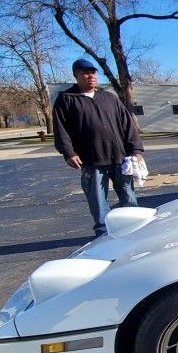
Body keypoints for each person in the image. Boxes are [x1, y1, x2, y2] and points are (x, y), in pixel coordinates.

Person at [53, 58, 145, 236]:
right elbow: (60, 130)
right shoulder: (66, 100)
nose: (90, 76)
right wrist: (68, 153)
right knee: (97, 200)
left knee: (128, 196)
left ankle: (135, 229)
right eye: (85, 73)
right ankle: (103, 234)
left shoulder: (109, 98)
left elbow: (127, 125)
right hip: (91, 160)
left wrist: (136, 150)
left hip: (119, 158)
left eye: (93, 72)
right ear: (76, 76)